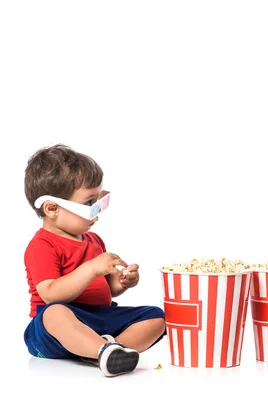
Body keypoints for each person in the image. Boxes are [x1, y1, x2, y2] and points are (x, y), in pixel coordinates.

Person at [23, 144, 166, 377]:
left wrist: (123, 282)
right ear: (52, 208)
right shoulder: (42, 245)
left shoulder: (94, 240)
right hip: (54, 329)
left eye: (100, 200)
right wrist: (91, 268)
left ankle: (106, 350)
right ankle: (101, 349)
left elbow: (108, 290)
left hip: (99, 318)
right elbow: (51, 294)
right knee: (54, 313)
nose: (98, 211)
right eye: (90, 204)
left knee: (155, 316)